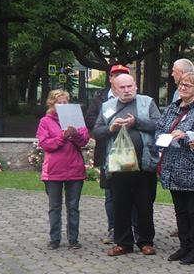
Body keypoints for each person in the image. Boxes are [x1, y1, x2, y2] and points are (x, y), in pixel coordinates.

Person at [93, 73, 161, 256]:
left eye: (129, 86)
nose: (127, 90)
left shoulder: (147, 102)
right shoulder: (107, 107)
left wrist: (136, 122)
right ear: (114, 90)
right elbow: (97, 131)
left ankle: (145, 242)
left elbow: (159, 125)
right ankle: (123, 243)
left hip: (144, 165)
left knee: (144, 205)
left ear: (136, 86)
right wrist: (111, 128)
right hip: (118, 166)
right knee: (120, 205)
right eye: (122, 87)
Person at [157, 72, 194, 265]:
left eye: (188, 86)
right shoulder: (173, 107)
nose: (182, 88)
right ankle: (184, 245)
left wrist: (186, 136)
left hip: (193, 168)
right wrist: (165, 136)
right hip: (173, 165)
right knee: (180, 210)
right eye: (181, 85)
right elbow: (160, 127)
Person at [37, 89, 90, 249]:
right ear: (52, 104)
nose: (63, 105)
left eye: (65, 102)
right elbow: (45, 144)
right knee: (54, 206)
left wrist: (74, 135)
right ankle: (54, 239)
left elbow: (84, 140)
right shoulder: (45, 121)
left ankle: (73, 240)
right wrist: (62, 136)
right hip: (54, 171)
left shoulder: (76, 119)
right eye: (59, 102)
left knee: (73, 206)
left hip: (74, 169)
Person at [85, 63, 130, 243]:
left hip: (130, 154)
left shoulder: (135, 97)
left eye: (123, 74)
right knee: (110, 194)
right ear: (110, 79)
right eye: (115, 75)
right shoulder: (100, 98)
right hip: (107, 153)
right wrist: (107, 124)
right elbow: (90, 120)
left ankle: (131, 229)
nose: (119, 77)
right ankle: (113, 228)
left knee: (131, 193)